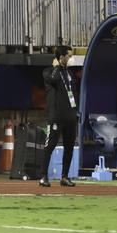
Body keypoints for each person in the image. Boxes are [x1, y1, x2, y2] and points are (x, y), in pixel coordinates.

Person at [39, 46, 77, 188]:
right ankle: (43, 176)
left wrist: (75, 111)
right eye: (68, 56)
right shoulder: (48, 72)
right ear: (61, 57)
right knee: (50, 146)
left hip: (70, 116)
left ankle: (64, 177)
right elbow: (54, 80)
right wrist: (57, 67)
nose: (70, 58)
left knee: (69, 147)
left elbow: (74, 93)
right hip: (56, 116)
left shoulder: (70, 74)